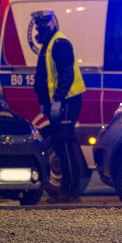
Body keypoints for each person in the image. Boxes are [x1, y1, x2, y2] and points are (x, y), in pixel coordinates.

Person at [32, 10, 86, 202]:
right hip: (58, 101)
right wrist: (43, 102)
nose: (39, 29)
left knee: (64, 142)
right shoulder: (48, 46)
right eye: (37, 26)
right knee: (59, 143)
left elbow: (66, 75)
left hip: (68, 100)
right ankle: (68, 190)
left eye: (42, 25)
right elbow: (42, 78)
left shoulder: (60, 43)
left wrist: (58, 100)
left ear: (52, 25)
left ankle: (71, 192)